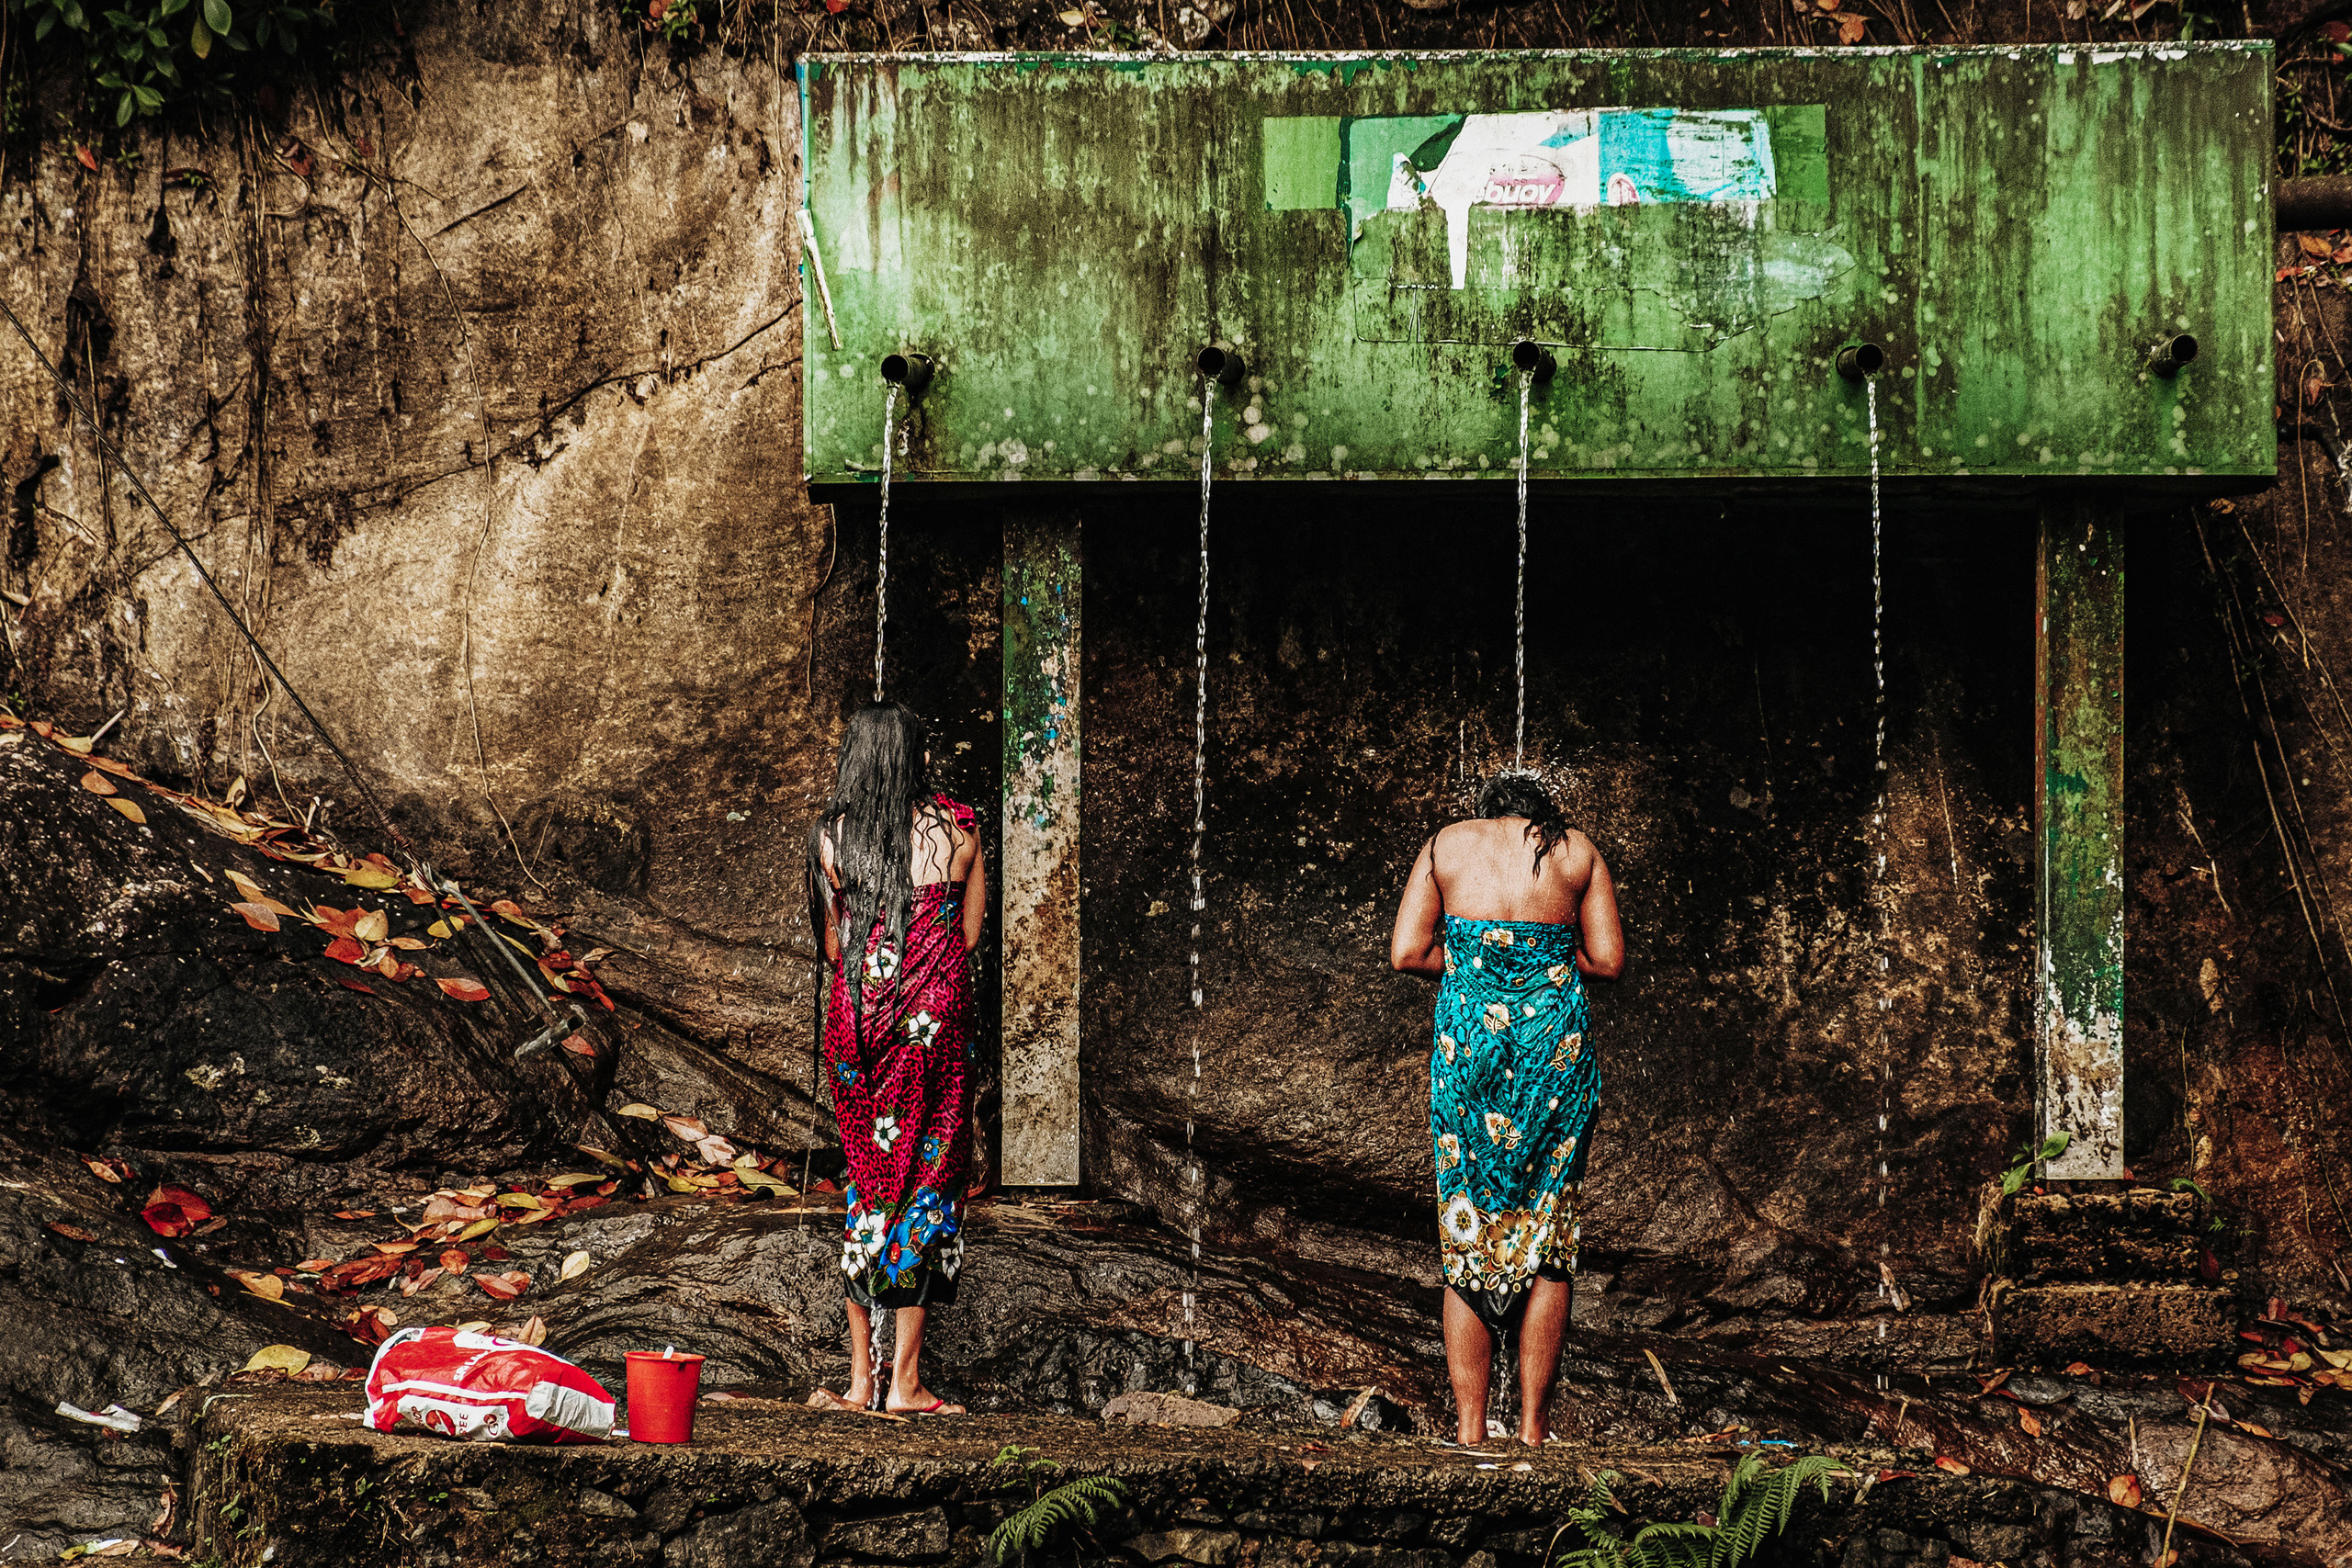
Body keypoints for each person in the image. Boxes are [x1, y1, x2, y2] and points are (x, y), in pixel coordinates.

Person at [1387, 771, 1623, 1448]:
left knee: (1468, 1228)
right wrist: (1544, 959)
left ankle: (1469, 1432)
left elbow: (1407, 950)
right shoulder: (1576, 851)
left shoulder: (1448, 844)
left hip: (1472, 1052)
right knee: (1550, 1233)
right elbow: (1607, 959)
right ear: (1541, 811)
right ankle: (1532, 1431)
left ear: (1487, 811)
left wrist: (1475, 962)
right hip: (1556, 1050)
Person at [805, 703, 987, 1416]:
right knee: (929, 1177)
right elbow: (968, 936)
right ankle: (906, 1384)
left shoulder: (831, 836)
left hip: (859, 1022)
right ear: (916, 756)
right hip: (933, 1021)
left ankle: (859, 1382)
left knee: (871, 1180)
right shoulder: (961, 825)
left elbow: (831, 948)